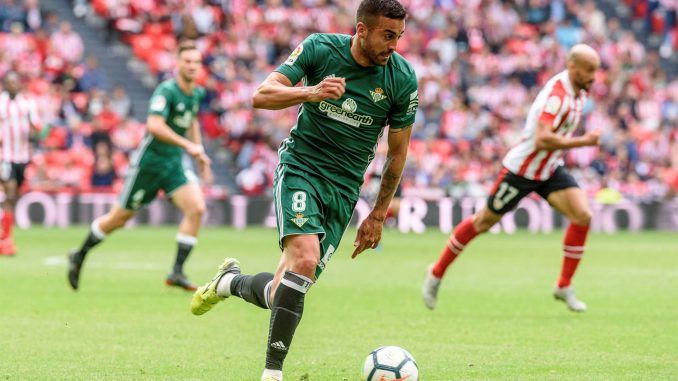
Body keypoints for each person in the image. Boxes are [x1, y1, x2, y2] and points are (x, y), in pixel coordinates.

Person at [190, 1, 418, 380]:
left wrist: (377, 214)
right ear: (361, 30)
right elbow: (261, 95)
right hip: (302, 169)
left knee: (283, 290)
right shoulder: (319, 49)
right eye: (387, 35)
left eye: (399, 37)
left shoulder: (402, 79)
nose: (394, 45)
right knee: (305, 258)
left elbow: (397, 154)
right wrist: (310, 93)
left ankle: (228, 282)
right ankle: (272, 374)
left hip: (344, 191)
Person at [422, 44, 601, 313]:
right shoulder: (557, 96)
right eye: (589, 70)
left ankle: (563, 285)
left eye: (595, 71)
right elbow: (542, 139)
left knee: (582, 215)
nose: (593, 77)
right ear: (572, 67)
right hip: (522, 170)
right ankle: (435, 273)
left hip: (549, 168)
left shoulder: (579, 92)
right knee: (483, 222)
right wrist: (583, 142)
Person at [67, 40, 212, 291]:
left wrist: (199, 152)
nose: (192, 66)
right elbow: (154, 125)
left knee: (197, 208)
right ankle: (79, 254)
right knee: (119, 218)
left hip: (173, 164)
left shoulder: (196, 93)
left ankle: (176, 272)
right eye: (187, 61)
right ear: (177, 63)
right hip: (149, 164)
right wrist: (189, 146)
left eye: (196, 62)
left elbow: (192, 121)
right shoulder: (166, 91)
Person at [0, 72, 43, 256]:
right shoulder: (1, 104)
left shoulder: (28, 103)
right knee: (9, 192)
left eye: (15, 82)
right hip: (5, 156)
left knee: (14, 195)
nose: (12, 85)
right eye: (9, 82)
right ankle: (6, 239)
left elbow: (37, 128)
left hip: (22, 157)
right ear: (4, 84)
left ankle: (6, 234)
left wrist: (35, 131)